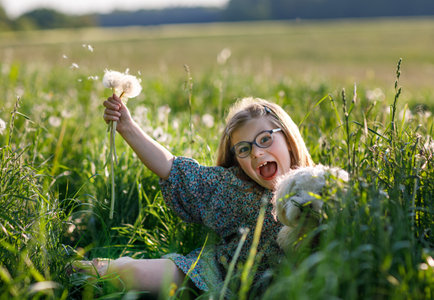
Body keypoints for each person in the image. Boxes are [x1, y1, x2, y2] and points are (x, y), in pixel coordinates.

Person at [72, 95, 314, 296]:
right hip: (217, 274)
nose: (258, 154)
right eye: (244, 149)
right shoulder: (235, 186)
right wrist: (127, 126)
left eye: (265, 139)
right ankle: (72, 267)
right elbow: (172, 168)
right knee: (133, 273)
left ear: (289, 138)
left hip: (283, 289)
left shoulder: (319, 187)